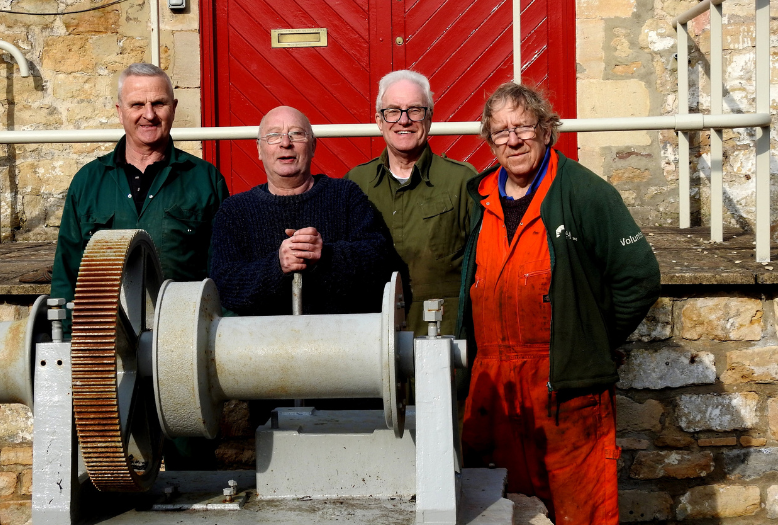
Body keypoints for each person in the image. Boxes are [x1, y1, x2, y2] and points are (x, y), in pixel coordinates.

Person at [458, 83, 660, 524]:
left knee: (579, 510)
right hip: (493, 386)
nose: (513, 140)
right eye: (500, 132)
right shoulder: (479, 197)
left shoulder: (586, 193)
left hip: (563, 385)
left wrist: (590, 338)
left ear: (547, 131)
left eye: (524, 128)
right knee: (499, 507)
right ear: (490, 141)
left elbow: (638, 276)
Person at [51, 63, 229, 468]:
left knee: (192, 470)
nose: (148, 113)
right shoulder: (88, 183)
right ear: (119, 110)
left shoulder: (205, 180)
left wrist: (218, 339)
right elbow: (67, 270)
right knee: (115, 462)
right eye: (137, 104)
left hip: (181, 350)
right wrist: (64, 342)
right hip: (109, 350)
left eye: (159, 103)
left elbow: (222, 270)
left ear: (174, 107)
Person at [210, 106, 395, 316]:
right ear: (259, 149)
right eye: (273, 136)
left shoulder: (345, 196)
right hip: (262, 343)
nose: (285, 143)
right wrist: (276, 266)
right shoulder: (235, 212)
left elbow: (379, 263)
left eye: (296, 134)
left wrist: (325, 257)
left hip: (342, 340)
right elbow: (224, 286)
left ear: (313, 145)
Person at [346, 70, 475, 336]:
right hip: (374, 335)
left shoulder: (461, 181)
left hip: (445, 335)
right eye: (392, 111)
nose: (403, 120)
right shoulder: (355, 183)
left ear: (429, 117)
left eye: (415, 110)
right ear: (379, 121)